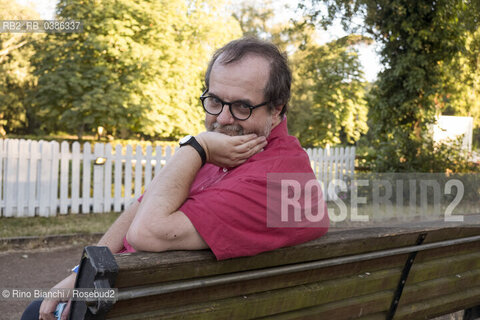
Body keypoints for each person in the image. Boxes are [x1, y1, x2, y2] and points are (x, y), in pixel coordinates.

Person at [22, 37, 329, 320]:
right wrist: (80, 274)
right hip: (156, 301)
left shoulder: (274, 181)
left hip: (143, 308)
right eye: (214, 101)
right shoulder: (239, 152)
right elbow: (141, 205)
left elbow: (147, 231)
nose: (221, 119)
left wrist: (196, 146)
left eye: (241, 107)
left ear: (276, 110)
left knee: (34, 313)